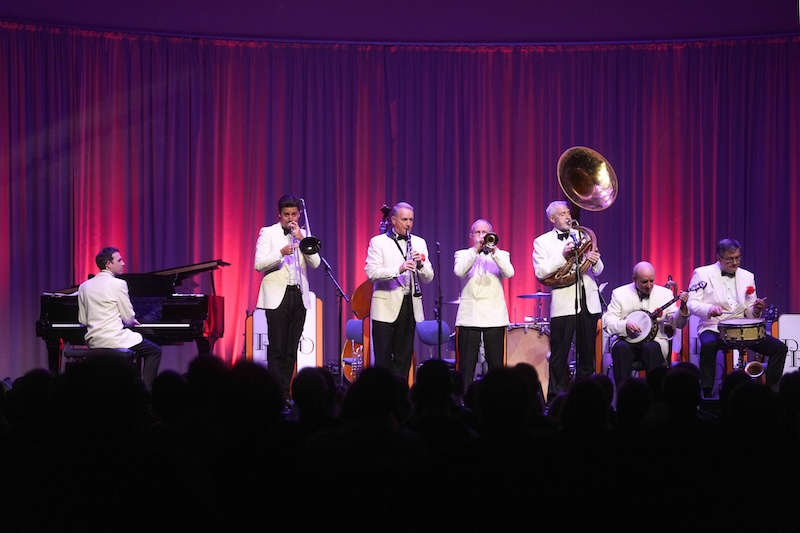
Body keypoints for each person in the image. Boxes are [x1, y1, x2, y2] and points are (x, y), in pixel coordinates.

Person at [687, 238, 787, 397]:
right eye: (730, 259)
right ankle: (707, 393)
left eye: (737, 258)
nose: (735, 263)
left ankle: (771, 393)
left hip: (743, 328)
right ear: (719, 258)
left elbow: (749, 311)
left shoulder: (747, 276)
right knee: (708, 345)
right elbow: (691, 303)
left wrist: (756, 309)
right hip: (714, 327)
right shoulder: (702, 274)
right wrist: (709, 309)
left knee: (780, 348)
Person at [532, 200, 603, 400]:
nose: (567, 216)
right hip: (563, 306)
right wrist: (563, 255)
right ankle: (557, 397)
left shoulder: (583, 235)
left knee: (586, 353)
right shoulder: (542, 241)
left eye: (567, 212)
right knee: (559, 355)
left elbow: (598, 270)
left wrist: (595, 261)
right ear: (552, 219)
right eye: (561, 213)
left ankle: (585, 396)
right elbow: (541, 271)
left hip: (588, 303)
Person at [254, 194, 321, 401]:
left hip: (298, 295)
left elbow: (316, 263)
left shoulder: (303, 233)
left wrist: (302, 239)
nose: (290, 218)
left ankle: (285, 392)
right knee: (277, 347)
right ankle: (275, 396)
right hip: (277, 296)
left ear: (299, 214)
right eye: (286, 215)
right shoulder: (268, 232)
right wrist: (280, 253)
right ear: (279, 215)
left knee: (291, 349)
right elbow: (259, 264)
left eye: (294, 214)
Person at [364, 202, 434, 379]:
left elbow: (428, 277)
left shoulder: (419, 242)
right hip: (385, 309)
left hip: (410, 305)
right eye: (404, 219)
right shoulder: (378, 242)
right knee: (383, 360)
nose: (408, 224)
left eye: (411, 220)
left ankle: (401, 399)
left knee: (404, 358)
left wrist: (420, 265)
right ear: (393, 220)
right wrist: (399, 269)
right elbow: (372, 273)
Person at [77, 247, 162, 390]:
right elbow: (128, 318)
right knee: (154, 351)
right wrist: (131, 320)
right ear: (108, 264)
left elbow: (83, 320)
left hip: (93, 340)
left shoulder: (84, 286)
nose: (123, 263)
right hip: (114, 339)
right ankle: (146, 393)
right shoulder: (119, 284)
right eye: (119, 260)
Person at [602, 261, 689, 390]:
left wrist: (682, 308)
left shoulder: (665, 294)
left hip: (654, 342)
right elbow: (608, 320)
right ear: (634, 279)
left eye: (651, 281)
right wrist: (624, 325)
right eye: (644, 282)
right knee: (620, 348)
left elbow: (678, 324)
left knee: (651, 348)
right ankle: (623, 397)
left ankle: (655, 399)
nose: (649, 286)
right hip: (626, 341)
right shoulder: (619, 294)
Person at [454, 219, 514, 392]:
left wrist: (494, 252)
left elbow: (509, 272)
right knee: (467, 366)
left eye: (485, 233)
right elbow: (459, 271)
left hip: (494, 317)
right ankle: (464, 401)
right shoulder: (463, 254)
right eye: (477, 233)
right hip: (469, 317)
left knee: (495, 366)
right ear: (471, 236)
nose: (481, 236)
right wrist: (475, 251)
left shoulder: (501, 254)